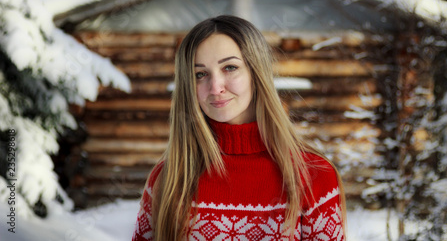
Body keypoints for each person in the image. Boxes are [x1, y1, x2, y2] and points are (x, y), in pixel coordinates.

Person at [132, 15, 346, 240]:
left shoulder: (313, 176)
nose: (215, 87)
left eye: (230, 67)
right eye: (200, 74)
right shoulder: (169, 178)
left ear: (256, 72)